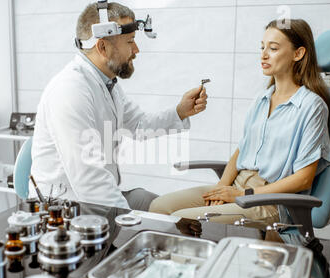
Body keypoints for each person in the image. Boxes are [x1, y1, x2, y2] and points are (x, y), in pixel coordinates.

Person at [149, 19, 330, 227]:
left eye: (273, 48)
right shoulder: (261, 99)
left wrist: (243, 193)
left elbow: (303, 179)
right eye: (262, 47)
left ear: (298, 54)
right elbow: (242, 151)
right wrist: (220, 190)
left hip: (270, 201)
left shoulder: (311, 106)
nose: (263, 54)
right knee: (159, 208)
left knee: (183, 219)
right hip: (237, 187)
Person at [30, 2, 208, 211]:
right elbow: (89, 179)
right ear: (102, 47)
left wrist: (179, 111)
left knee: (166, 209)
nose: (136, 50)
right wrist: (129, 222)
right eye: (130, 42)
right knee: (156, 220)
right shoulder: (70, 91)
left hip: (95, 199)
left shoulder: (107, 84)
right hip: (67, 210)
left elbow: (139, 125)